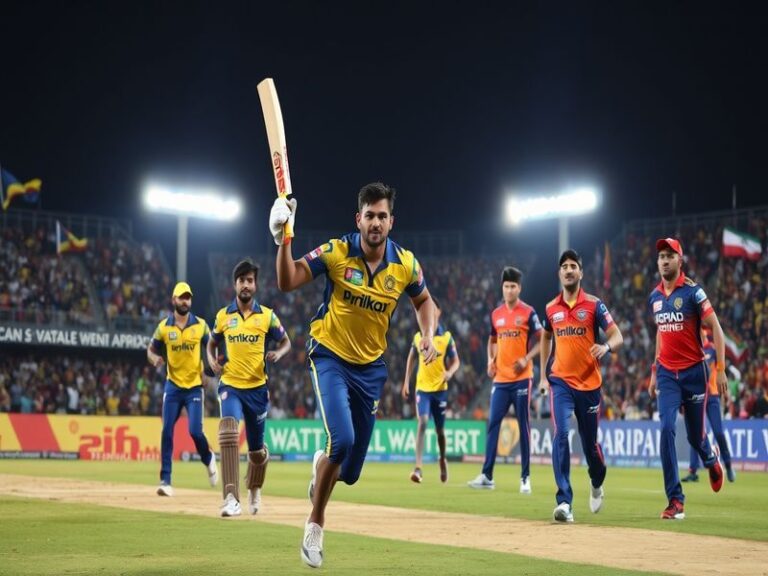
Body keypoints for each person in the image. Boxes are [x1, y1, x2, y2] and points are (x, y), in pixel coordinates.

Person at [270, 182, 437, 568]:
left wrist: (427, 335)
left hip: (371, 369)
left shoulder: (406, 264)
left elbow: (424, 300)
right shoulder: (336, 251)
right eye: (369, 215)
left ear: (391, 222)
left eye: (382, 216)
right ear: (357, 218)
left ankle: (321, 468)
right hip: (329, 355)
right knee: (341, 440)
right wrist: (283, 239)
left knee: (351, 472)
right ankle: (315, 525)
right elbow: (287, 280)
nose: (375, 222)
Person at [539, 249, 623, 523]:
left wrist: (606, 346)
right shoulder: (551, 308)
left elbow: (617, 335)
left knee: (590, 447)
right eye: (564, 266)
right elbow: (545, 339)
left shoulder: (595, 305)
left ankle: (596, 480)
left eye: (573, 265)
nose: (568, 270)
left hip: (589, 384)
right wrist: (543, 375)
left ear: (581, 272)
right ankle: (564, 502)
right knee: (561, 434)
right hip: (560, 381)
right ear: (559, 273)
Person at [648, 238, 726, 520]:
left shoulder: (694, 292)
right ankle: (675, 500)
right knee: (666, 427)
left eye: (670, 255)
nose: (664, 260)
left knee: (695, 436)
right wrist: (655, 371)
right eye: (661, 257)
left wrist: (723, 368)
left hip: (695, 373)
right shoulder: (654, 297)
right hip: (668, 374)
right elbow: (660, 332)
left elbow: (716, 328)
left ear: (680, 260)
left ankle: (710, 458)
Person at [207, 259, 291, 517]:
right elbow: (211, 344)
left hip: (257, 389)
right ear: (235, 285)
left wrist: (279, 352)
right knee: (229, 431)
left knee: (256, 452)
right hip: (230, 384)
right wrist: (211, 360)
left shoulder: (267, 316)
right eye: (242, 280)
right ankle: (231, 498)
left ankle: (254, 487)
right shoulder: (223, 316)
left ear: (255, 285)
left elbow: (286, 341)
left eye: (250, 280)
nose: (246, 284)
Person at [468, 266, 542, 493]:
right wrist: (491, 359)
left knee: (524, 426)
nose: (509, 290)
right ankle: (487, 475)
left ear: (519, 288)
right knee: (493, 425)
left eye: (513, 286)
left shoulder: (529, 312)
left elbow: (542, 341)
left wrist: (527, 358)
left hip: (522, 378)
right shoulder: (496, 314)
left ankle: (525, 477)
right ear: (502, 288)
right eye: (506, 286)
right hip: (500, 379)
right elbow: (491, 340)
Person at [147, 281, 218, 497]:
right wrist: (154, 358)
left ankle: (208, 458)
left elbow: (211, 348)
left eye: (188, 297)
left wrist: (208, 370)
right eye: (181, 297)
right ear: (174, 300)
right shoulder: (163, 327)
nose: (185, 301)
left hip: (195, 387)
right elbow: (150, 350)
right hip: (173, 386)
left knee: (195, 431)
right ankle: (165, 480)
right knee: (167, 430)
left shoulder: (201, 325)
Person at [401, 296, 460, 484]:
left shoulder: (446, 337)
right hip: (422, 389)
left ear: (439, 312)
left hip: (440, 389)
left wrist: (449, 372)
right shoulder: (419, 337)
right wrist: (405, 382)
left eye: (433, 308)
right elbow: (411, 358)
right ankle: (418, 468)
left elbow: (456, 361)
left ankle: (442, 459)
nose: (429, 311)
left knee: (440, 431)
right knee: (423, 422)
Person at [682, 329, 735, 484]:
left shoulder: (711, 348)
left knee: (718, 432)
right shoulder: (692, 348)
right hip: (696, 395)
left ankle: (728, 464)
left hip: (711, 395)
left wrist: (726, 394)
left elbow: (717, 368)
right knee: (696, 434)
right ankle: (693, 471)